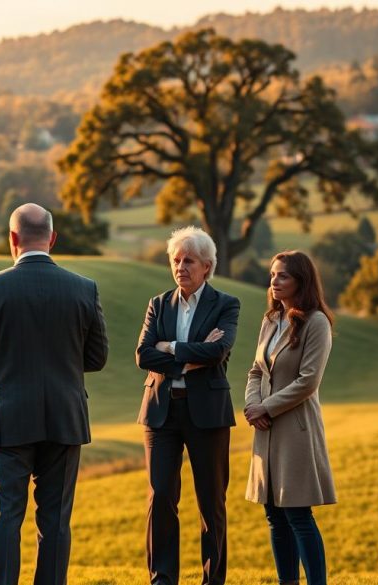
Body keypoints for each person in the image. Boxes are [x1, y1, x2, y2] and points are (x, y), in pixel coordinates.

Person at [0, 203, 109, 585]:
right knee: (56, 520)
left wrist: (7, 372)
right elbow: (97, 357)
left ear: (12, 239)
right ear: (53, 238)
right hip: (65, 415)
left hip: (7, 415)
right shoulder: (84, 288)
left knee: (4, 516)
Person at [135, 226, 240, 585]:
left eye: (189, 261)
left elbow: (217, 351)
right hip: (161, 412)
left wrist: (171, 347)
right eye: (176, 260)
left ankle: (213, 580)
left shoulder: (226, 304)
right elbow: (142, 354)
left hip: (207, 414)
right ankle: (162, 578)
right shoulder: (158, 303)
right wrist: (187, 354)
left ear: (207, 266)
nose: (181, 267)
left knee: (211, 502)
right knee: (161, 496)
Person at [243, 250, 336, 585]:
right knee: (274, 516)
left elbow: (308, 381)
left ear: (301, 280)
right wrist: (253, 407)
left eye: (283, 275)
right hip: (265, 429)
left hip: (294, 429)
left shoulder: (317, 322)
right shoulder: (270, 320)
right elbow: (256, 370)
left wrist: (266, 408)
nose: (274, 281)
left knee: (297, 514)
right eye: (272, 274)